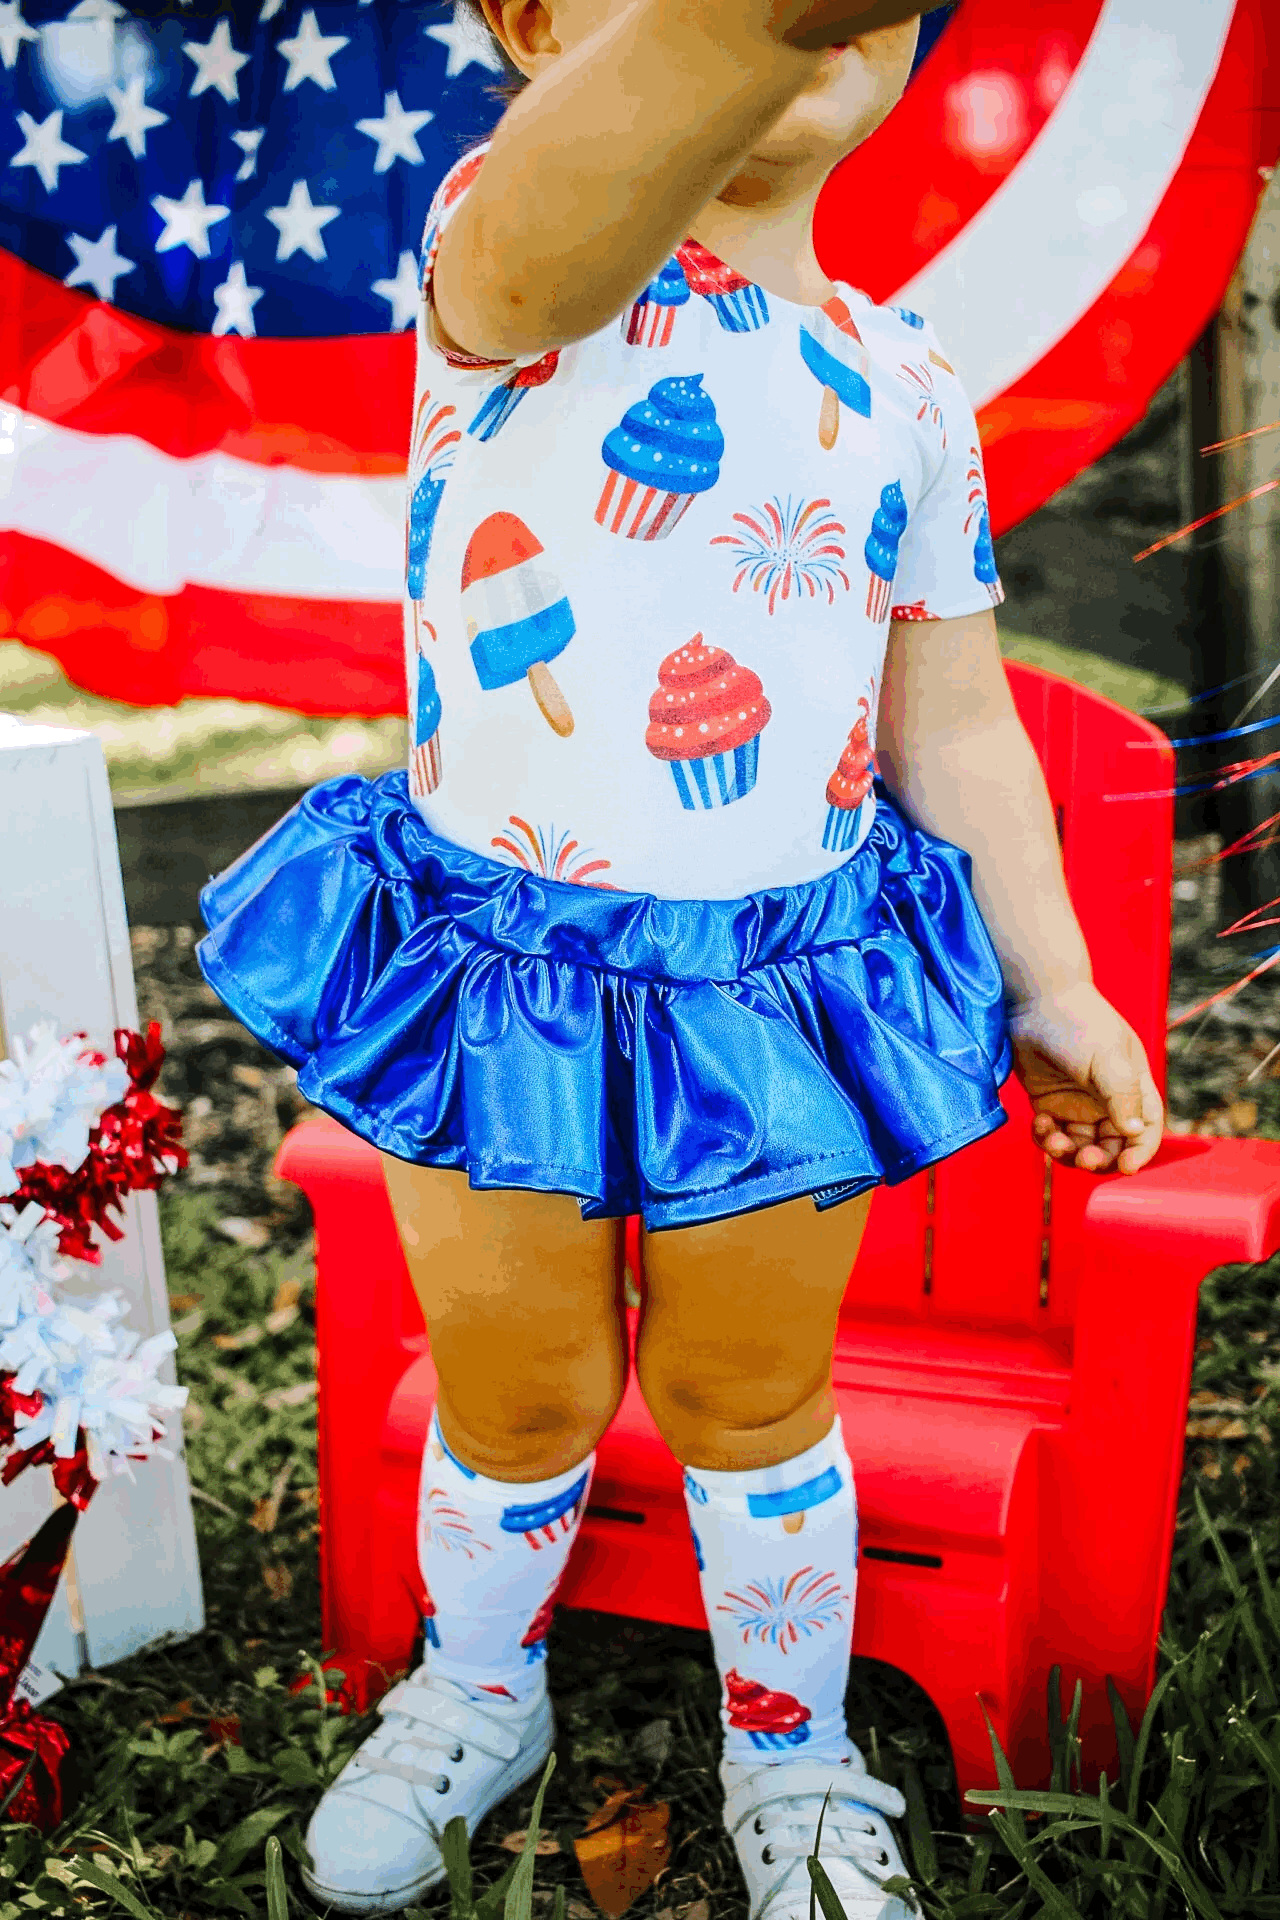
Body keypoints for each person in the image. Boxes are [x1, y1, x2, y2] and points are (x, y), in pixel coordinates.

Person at [196, 0, 1166, 1914]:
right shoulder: (515, 257)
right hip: (502, 973)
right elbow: (587, 181)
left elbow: (955, 721)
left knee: (753, 1396)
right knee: (518, 1391)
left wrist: (1053, 980)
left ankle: (790, 1753)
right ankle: (480, 1690)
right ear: (534, 32)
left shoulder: (904, 378)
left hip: (775, 992)